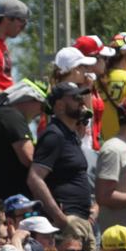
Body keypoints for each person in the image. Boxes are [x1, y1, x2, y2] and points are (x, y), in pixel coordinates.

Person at [28, 82, 95, 239]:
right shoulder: (54, 135)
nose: (81, 101)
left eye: (81, 97)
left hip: (82, 220)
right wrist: (60, 218)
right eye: (75, 97)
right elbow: (34, 178)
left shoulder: (70, 135)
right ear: (59, 105)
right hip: (68, 221)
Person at [0, 79, 42, 202]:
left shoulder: (4, 115)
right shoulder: (11, 115)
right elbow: (29, 158)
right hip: (12, 202)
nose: (41, 112)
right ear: (29, 100)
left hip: (6, 199)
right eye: (42, 106)